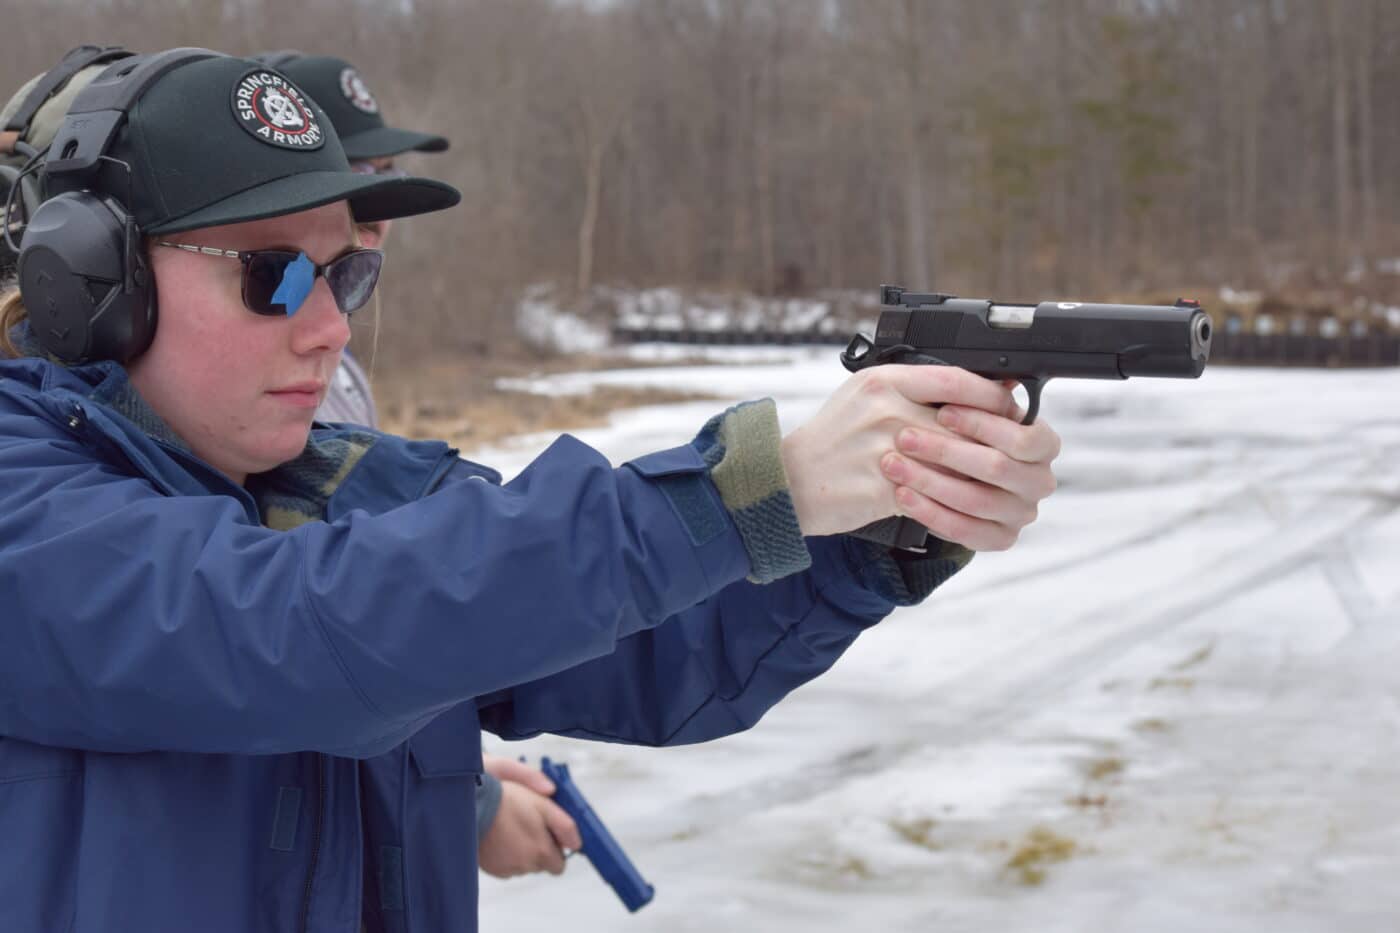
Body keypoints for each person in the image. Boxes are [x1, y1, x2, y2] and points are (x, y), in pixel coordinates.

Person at [0, 48, 1059, 933]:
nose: (329, 326)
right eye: (273, 276)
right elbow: (291, 627)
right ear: (91, 281)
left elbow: (649, 652)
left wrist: (878, 519)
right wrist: (744, 487)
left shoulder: (345, 492)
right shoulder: (23, 501)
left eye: (347, 275)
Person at [255, 49, 579, 878]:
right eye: (353, 168)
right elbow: (332, 628)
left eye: (385, 170)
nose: (377, 200)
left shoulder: (328, 357)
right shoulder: (260, 373)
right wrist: (471, 807)